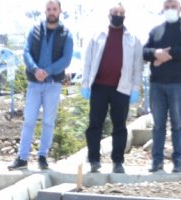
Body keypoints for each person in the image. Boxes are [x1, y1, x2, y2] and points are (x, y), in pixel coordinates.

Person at [8, 0, 72, 172]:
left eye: (54, 9)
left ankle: (43, 157)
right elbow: (26, 51)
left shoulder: (66, 34)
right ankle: (22, 158)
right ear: (45, 11)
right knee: (28, 120)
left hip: (53, 84)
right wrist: (35, 69)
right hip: (34, 84)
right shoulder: (34, 30)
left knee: (48, 122)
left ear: (60, 11)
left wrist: (48, 71)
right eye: (49, 9)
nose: (51, 12)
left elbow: (66, 59)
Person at [81, 4, 142, 175]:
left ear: (125, 16)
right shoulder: (97, 36)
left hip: (121, 89)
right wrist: (85, 84)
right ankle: (93, 160)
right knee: (95, 125)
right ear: (109, 15)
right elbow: (87, 61)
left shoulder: (133, 39)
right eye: (115, 13)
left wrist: (135, 89)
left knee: (119, 126)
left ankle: (118, 162)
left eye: (121, 13)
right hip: (99, 87)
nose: (118, 15)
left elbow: (138, 66)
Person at [142, 0, 181, 173]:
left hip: (178, 85)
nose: (170, 9)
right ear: (162, 9)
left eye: (173, 6)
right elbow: (145, 52)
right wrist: (155, 53)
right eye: (167, 6)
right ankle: (157, 161)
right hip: (157, 85)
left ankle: (178, 161)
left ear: (180, 8)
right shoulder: (155, 31)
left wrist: (168, 54)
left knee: (177, 125)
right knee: (158, 125)